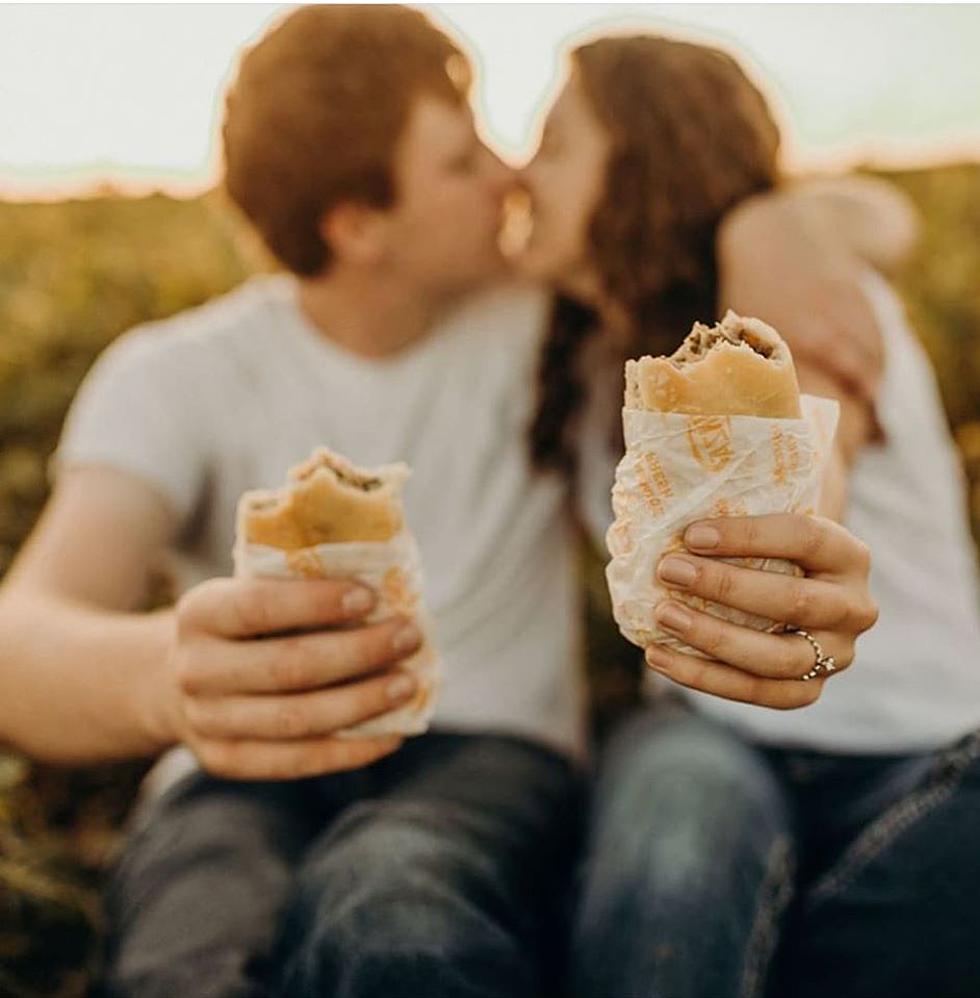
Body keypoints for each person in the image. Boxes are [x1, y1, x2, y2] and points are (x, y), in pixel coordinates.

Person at [0, 7, 893, 996]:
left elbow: (864, 213)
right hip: (231, 773)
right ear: (357, 225)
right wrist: (167, 676)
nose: (510, 176)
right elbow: (23, 634)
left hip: (487, 756)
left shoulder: (556, 318)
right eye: (462, 162)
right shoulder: (172, 373)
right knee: (195, 945)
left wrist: (773, 228)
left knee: (400, 909)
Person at [517, 33, 980, 998]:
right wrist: (791, 216)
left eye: (557, 144)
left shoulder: (796, 303)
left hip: (931, 747)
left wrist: (808, 549)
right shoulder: (591, 353)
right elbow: (875, 209)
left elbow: (823, 427)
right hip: (701, 729)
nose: (525, 169)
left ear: (645, 162)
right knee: (670, 872)